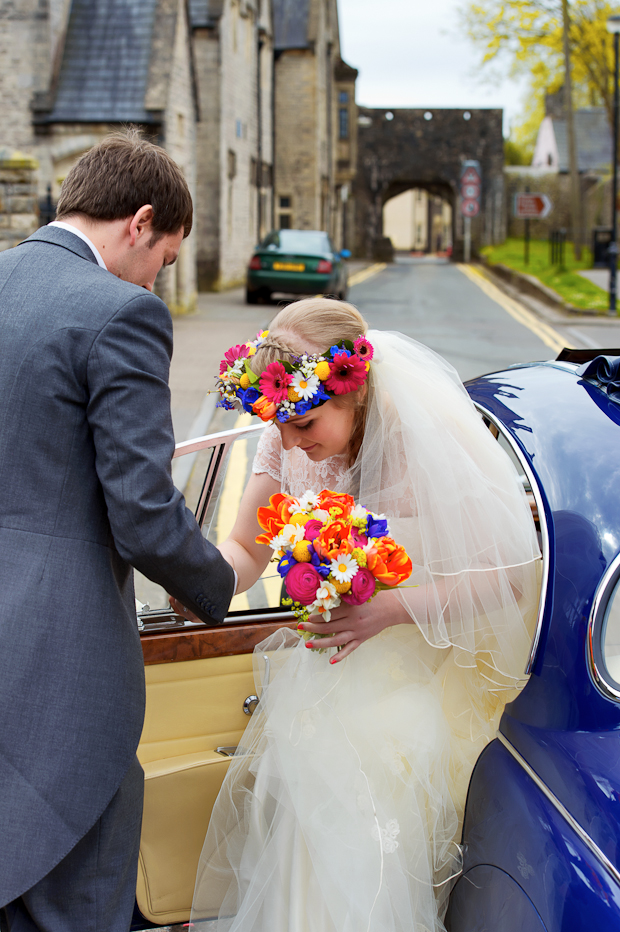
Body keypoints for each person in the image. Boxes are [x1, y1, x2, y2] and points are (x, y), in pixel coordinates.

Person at [188, 298, 541, 932]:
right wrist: (195, 578)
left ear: (354, 389)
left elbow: (512, 577)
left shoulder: (420, 443)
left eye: (308, 423)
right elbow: (244, 547)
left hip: (413, 685)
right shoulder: (286, 433)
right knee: (305, 845)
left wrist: (392, 609)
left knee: (368, 855)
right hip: (319, 682)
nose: (293, 442)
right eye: (282, 426)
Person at [0, 131, 235, 932]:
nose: (157, 280)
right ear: (140, 224)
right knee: (77, 902)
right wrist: (219, 583)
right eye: (165, 261)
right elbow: (142, 511)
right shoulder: (119, 313)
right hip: (62, 671)